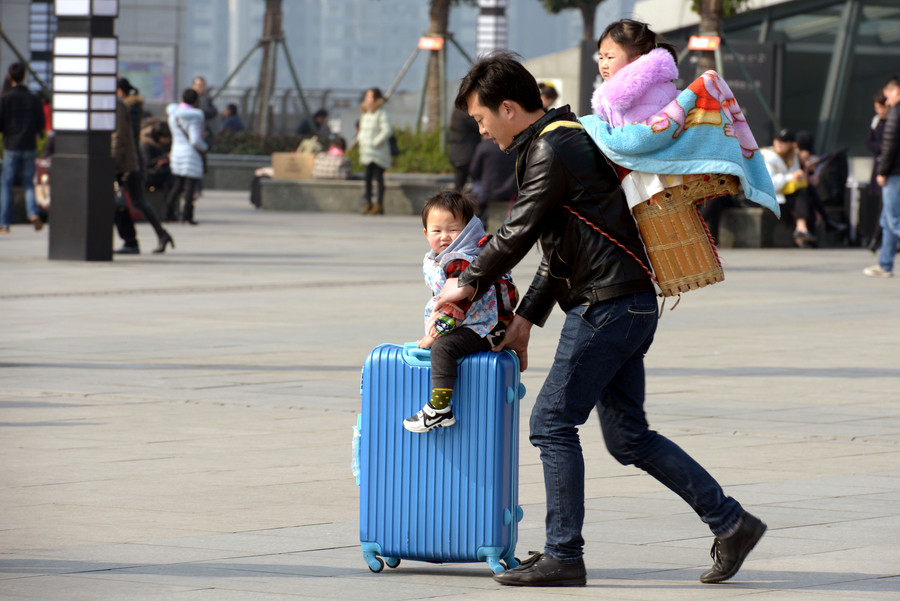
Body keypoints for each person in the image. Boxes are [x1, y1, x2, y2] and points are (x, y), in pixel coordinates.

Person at [433, 50, 765, 587]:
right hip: (625, 303)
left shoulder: (553, 146)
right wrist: (524, 320)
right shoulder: (554, 141)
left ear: (508, 108)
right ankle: (731, 523)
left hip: (606, 307)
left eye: (481, 118)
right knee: (628, 437)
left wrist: (468, 280)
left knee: (550, 423)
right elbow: (558, 251)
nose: (481, 130)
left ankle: (564, 554)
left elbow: (518, 231)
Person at [402, 191, 517, 433]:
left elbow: (455, 308)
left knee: (443, 348)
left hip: (487, 327)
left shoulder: (461, 262)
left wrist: (433, 336)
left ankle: (440, 409)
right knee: (443, 345)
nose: (444, 236)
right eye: (436, 230)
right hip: (477, 322)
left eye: (453, 230)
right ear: (425, 233)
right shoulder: (444, 258)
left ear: (468, 230)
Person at [112, 78, 175, 254]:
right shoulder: (131, 107)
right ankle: (160, 235)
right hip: (130, 161)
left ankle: (131, 242)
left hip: (126, 162)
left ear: (120, 91)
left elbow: (121, 137)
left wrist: (114, 160)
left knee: (122, 202)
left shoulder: (123, 107)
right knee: (137, 201)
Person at [0, 62, 45, 233]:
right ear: (24, 76)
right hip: (29, 145)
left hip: (11, 145)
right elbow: (40, 122)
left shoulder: (5, 99)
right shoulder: (33, 98)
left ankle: (4, 223)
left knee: (6, 184)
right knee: (28, 183)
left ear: (10, 77)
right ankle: (33, 213)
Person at [865, 76, 900, 278]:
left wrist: (883, 171)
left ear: (896, 91)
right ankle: (885, 264)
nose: (887, 101)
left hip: (894, 173)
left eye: (888, 96)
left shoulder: (896, 111)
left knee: (894, 219)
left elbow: (890, 144)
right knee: (887, 220)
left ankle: (885, 264)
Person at [760, 129, 817, 247]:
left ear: (791, 144)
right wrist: (791, 176)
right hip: (769, 197)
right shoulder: (768, 157)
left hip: (783, 195)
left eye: (784, 141)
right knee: (803, 195)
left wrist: (800, 175)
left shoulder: (792, 157)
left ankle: (802, 232)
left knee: (806, 194)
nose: (779, 144)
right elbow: (770, 185)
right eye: (777, 140)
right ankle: (803, 233)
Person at [165, 88, 208, 225]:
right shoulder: (194, 117)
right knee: (190, 186)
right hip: (190, 154)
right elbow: (195, 140)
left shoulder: (173, 116)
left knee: (177, 185)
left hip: (176, 151)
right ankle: (187, 215)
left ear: (182, 99)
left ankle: (168, 213)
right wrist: (204, 147)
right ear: (195, 101)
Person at [357, 87, 392, 215]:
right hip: (366, 151)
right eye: (366, 96)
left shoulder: (382, 112)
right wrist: (361, 140)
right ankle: (368, 203)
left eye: (369, 96)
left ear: (376, 98)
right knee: (367, 178)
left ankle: (379, 204)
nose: (367, 99)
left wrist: (375, 143)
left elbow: (387, 130)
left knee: (379, 178)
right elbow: (361, 130)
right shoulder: (365, 112)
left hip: (378, 152)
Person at [468, 133, 517, 223]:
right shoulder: (516, 145)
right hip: (511, 192)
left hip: (488, 192)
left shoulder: (484, 146)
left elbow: (474, 171)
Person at [862, 91, 889, 251]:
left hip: (889, 169)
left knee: (886, 205)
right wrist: (879, 147)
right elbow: (869, 142)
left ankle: (876, 238)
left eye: (881, 107)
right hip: (879, 166)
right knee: (881, 204)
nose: (879, 111)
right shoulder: (876, 121)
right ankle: (877, 238)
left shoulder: (894, 120)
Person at [447, 107, 482, 191]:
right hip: (465, 154)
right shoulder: (464, 113)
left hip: (459, 154)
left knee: (459, 186)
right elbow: (479, 124)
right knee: (479, 182)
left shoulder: (458, 111)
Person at [141, 120, 173, 194]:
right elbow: (147, 163)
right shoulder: (147, 145)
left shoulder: (167, 144)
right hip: (151, 173)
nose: (167, 140)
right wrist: (165, 157)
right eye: (164, 137)